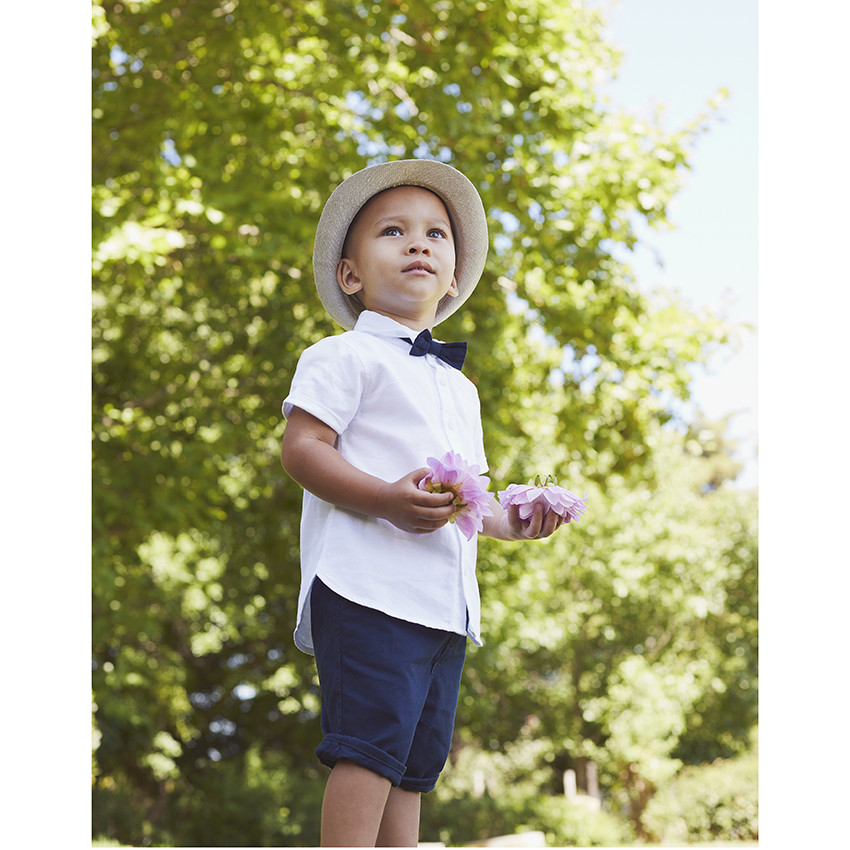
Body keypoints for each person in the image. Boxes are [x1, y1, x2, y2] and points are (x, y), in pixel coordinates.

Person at [280, 159, 566, 847]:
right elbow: (303, 449)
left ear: (454, 277)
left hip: (441, 604)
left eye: (436, 234)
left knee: (411, 767)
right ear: (350, 275)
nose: (418, 243)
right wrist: (384, 498)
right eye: (393, 231)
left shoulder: (458, 389)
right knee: (368, 748)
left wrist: (514, 519)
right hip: (368, 587)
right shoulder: (343, 357)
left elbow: (466, 498)